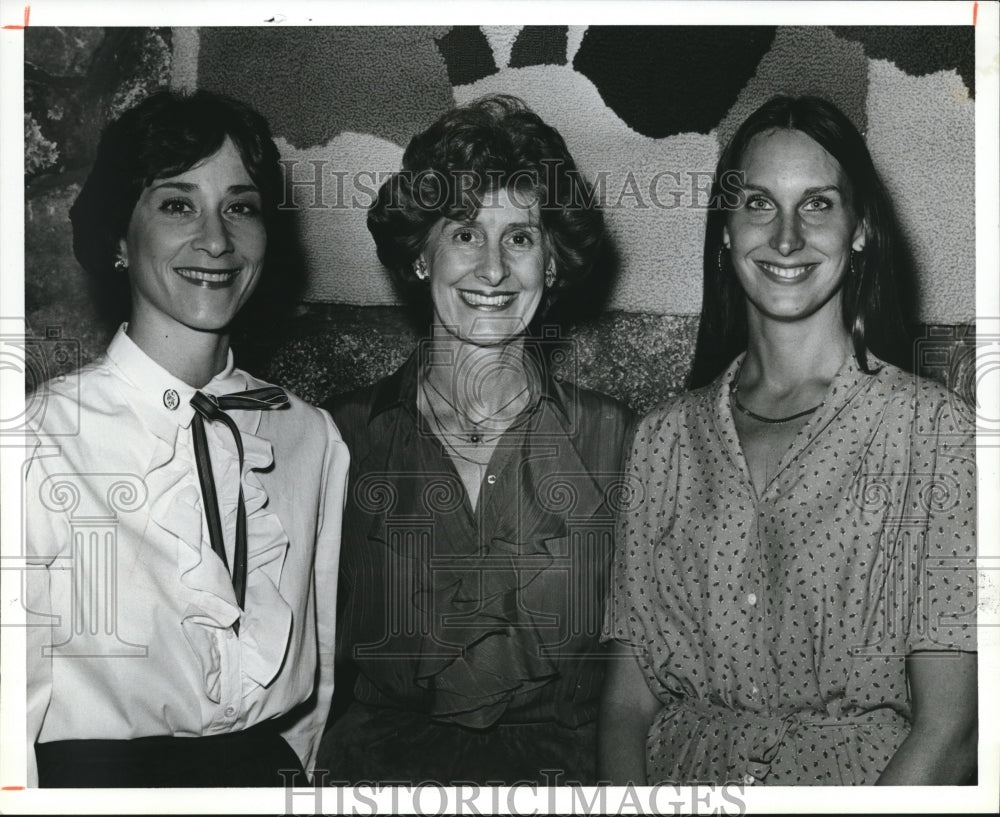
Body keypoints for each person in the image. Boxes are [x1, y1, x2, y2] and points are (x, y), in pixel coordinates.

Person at [600, 95, 977, 786]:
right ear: (725, 229)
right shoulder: (660, 442)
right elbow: (626, 703)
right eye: (758, 204)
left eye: (819, 204)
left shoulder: (935, 434)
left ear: (860, 228)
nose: (785, 237)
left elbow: (951, 729)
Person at [24, 90, 349, 787]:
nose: (216, 240)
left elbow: (314, 683)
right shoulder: (39, 439)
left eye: (240, 206)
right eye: (177, 204)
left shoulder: (309, 436)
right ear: (118, 236)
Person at [316, 94, 633, 784]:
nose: (492, 269)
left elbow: (645, 679)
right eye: (464, 232)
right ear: (421, 257)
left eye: (519, 237)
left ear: (551, 264)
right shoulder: (338, 437)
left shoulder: (617, 441)